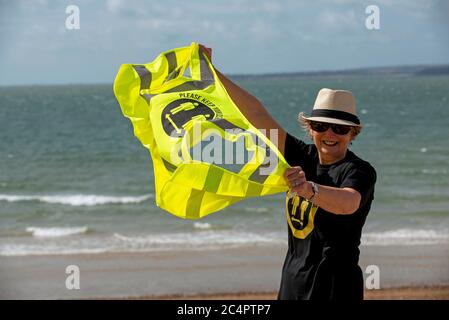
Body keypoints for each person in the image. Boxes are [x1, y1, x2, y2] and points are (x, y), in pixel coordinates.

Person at [202, 45, 376, 300]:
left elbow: (348, 203)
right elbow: (255, 114)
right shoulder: (299, 156)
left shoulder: (359, 170)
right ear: (310, 129)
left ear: (352, 134)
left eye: (339, 129)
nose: (329, 134)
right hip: (293, 281)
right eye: (321, 126)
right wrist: (211, 72)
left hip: (334, 286)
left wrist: (310, 190)